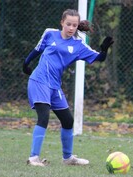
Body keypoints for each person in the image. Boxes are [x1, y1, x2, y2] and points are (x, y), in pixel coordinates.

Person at [23, 9, 114, 166]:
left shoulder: (78, 45)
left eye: (74, 25)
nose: (71, 28)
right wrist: (26, 63)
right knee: (43, 117)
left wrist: (104, 49)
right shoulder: (50, 34)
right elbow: (37, 49)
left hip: (54, 86)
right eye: (68, 24)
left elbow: (99, 58)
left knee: (68, 120)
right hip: (39, 81)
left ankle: (68, 158)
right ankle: (33, 158)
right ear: (62, 23)